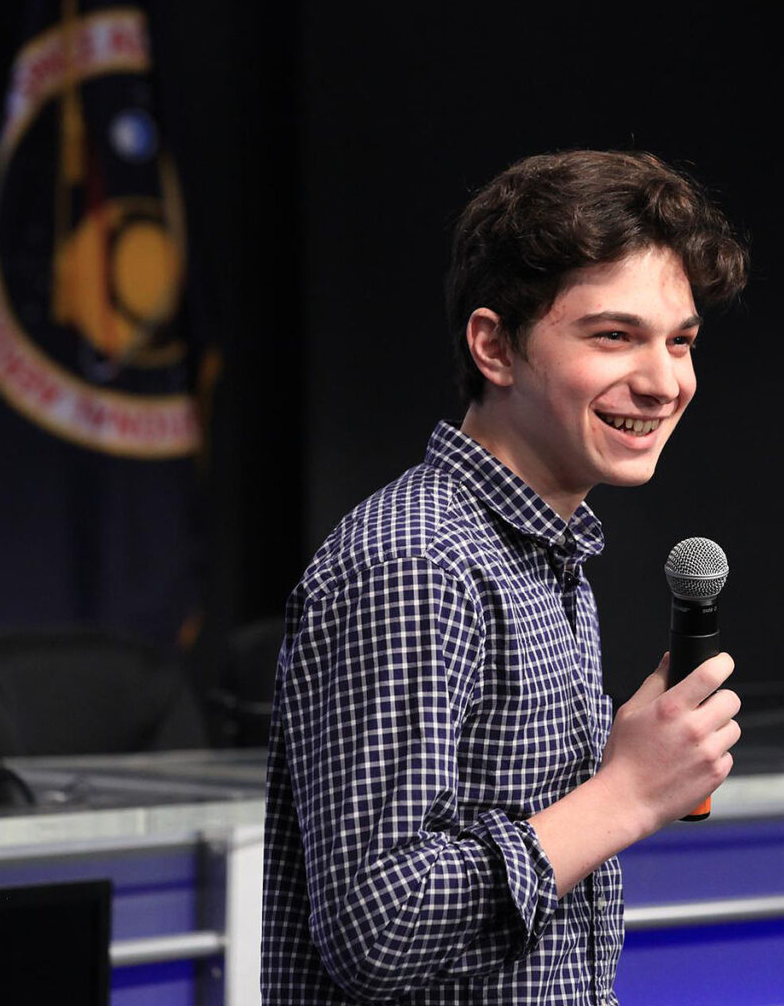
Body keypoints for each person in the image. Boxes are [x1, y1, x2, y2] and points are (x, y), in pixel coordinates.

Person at [261, 149, 748, 1005]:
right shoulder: (420, 560)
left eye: (681, 341)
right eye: (613, 335)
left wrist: (622, 771)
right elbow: (379, 926)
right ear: (494, 346)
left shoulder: (543, 552)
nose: (663, 381)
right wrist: (625, 794)